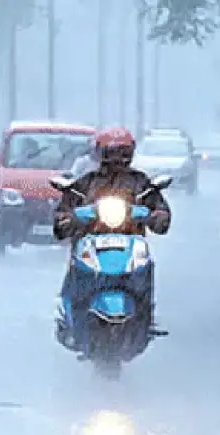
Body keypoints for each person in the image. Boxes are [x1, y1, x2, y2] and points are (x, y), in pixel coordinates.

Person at [52, 126, 171, 340]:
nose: (117, 158)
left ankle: (146, 315)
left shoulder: (141, 183)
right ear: (100, 153)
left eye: (123, 152)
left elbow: (160, 213)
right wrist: (70, 218)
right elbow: (63, 216)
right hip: (91, 242)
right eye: (112, 152)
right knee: (77, 265)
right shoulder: (85, 183)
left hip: (130, 243)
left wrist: (155, 216)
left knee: (146, 265)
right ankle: (70, 314)